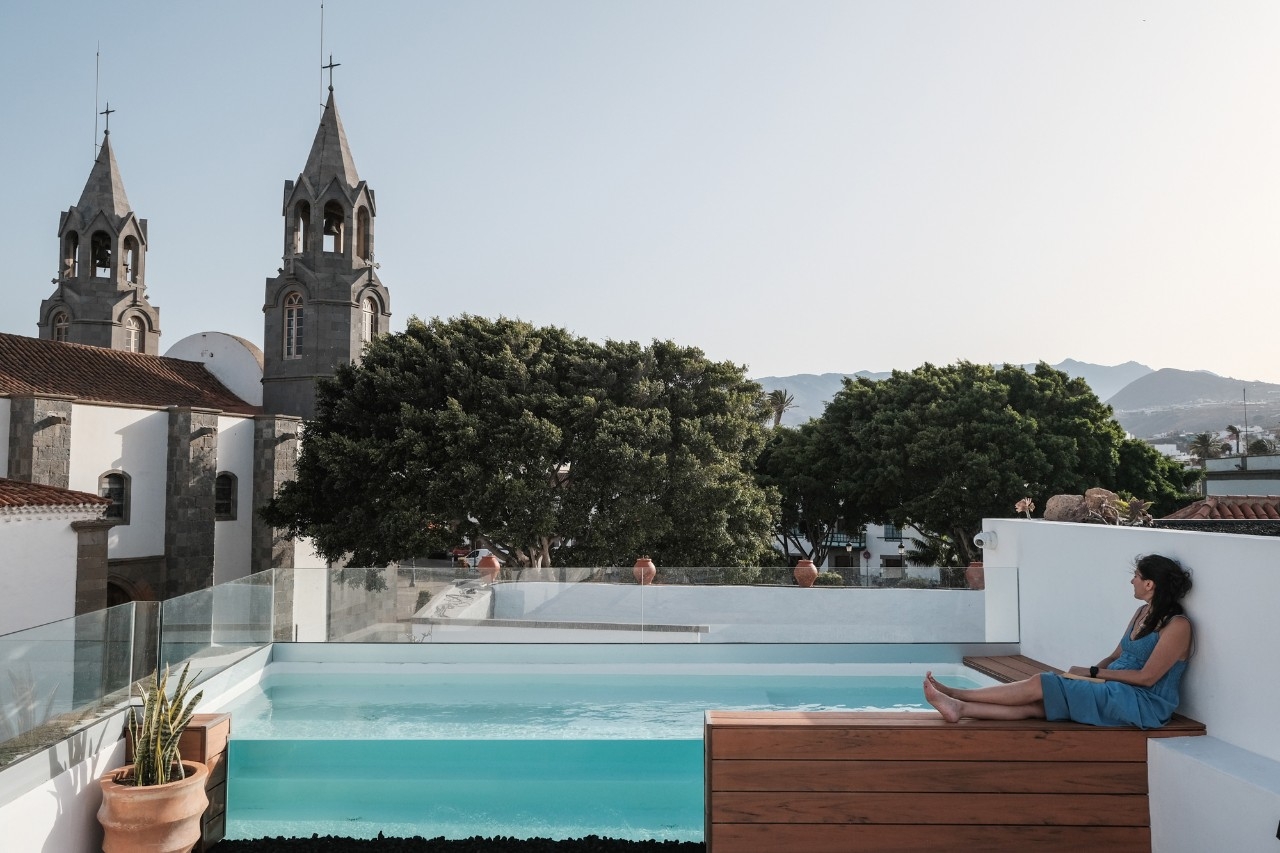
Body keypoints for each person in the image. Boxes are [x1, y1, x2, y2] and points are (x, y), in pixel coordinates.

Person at [924, 554, 1193, 729]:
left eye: (1137, 575)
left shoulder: (1177, 626)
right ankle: (960, 708)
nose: (1132, 580)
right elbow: (1114, 656)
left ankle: (958, 694)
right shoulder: (1142, 612)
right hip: (1113, 687)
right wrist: (1088, 678)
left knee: (1042, 682)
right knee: (1038, 707)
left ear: (1150, 584)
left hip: (1142, 704)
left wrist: (1093, 673)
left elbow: (1147, 678)